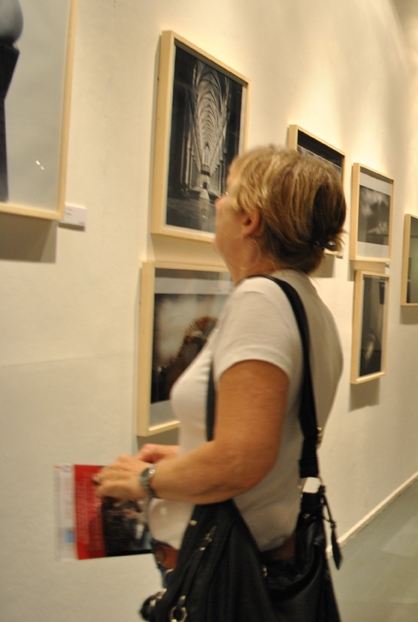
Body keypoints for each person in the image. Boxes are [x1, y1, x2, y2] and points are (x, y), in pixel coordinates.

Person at [94, 146, 345, 580]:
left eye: (227, 193)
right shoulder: (305, 303)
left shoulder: (260, 300)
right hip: (260, 555)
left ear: (251, 220)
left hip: (226, 572)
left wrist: (149, 479)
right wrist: (184, 454)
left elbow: (241, 461)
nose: (217, 203)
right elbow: (279, 444)